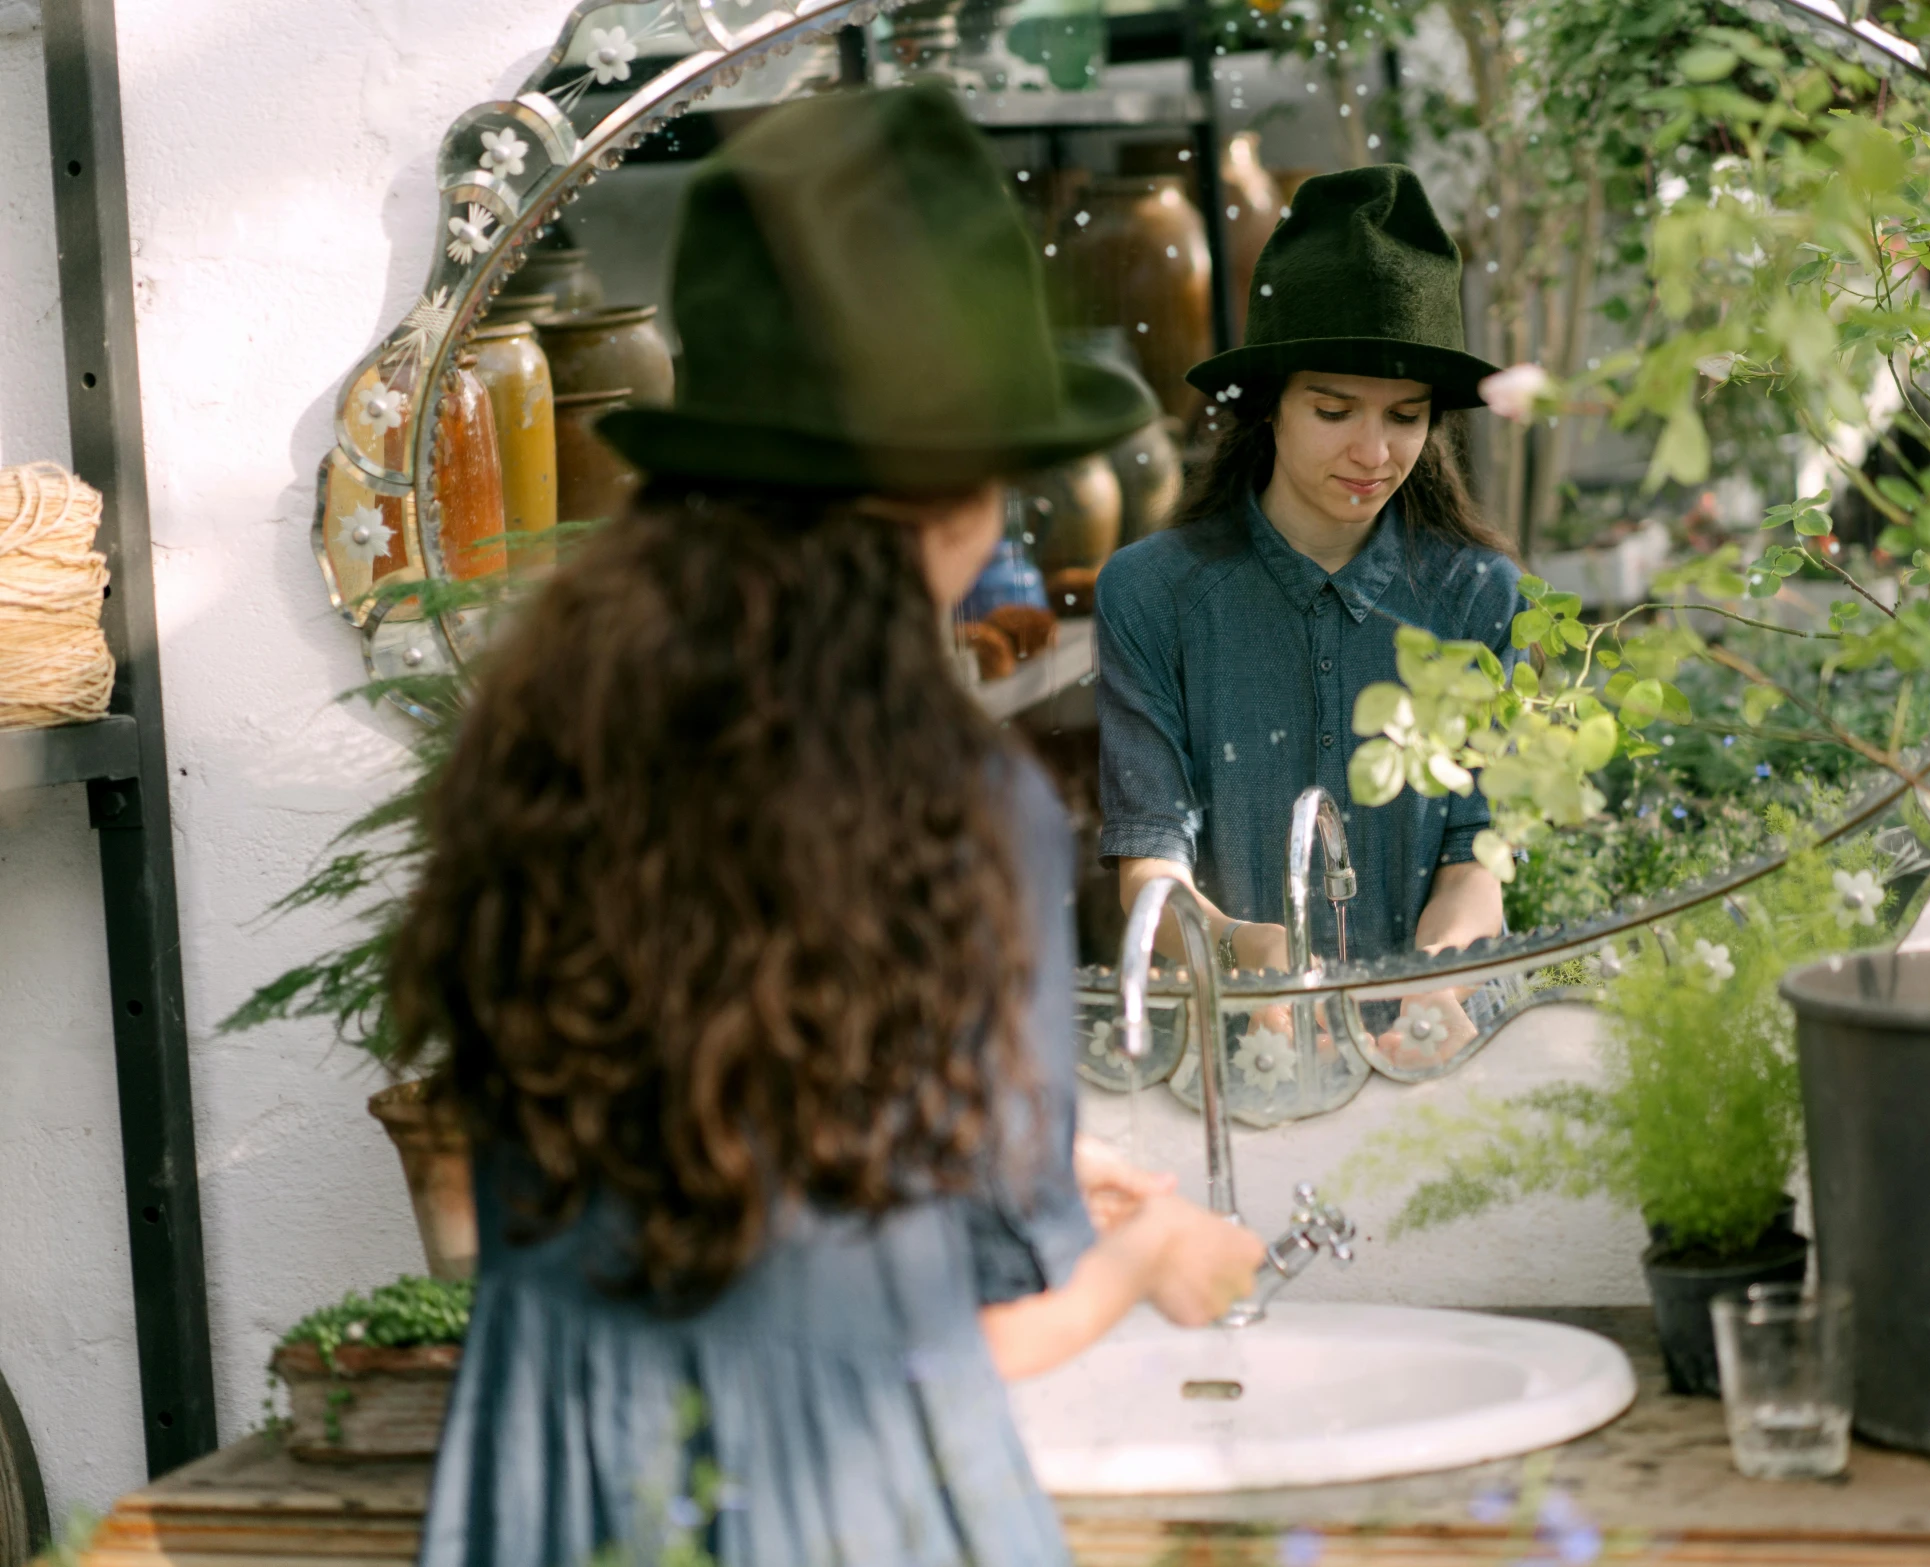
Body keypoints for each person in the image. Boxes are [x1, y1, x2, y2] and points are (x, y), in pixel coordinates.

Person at [389, 86, 1262, 1567]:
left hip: (553, 1489)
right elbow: (968, 1333)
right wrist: (1141, 1256)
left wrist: (1018, 1174)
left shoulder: (545, 739)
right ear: (952, 498)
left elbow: (726, 1165)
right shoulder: (946, 809)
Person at [1094, 165, 1521, 1060]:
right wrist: (1241, 947)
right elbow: (1150, 865)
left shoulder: (1477, 597)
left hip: (1435, 1053)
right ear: (1268, 406)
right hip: (1235, 1052)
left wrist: (1432, 977)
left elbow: (1478, 848)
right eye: (1334, 410)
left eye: (1406, 416)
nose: (1374, 452)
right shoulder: (1153, 594)